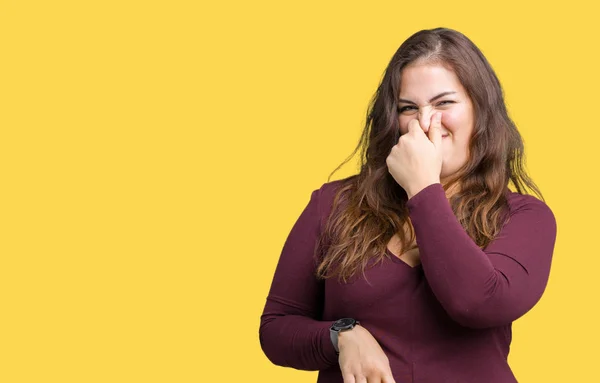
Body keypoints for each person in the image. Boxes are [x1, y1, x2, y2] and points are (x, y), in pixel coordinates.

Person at [258, 27, 557, 383]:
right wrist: (342, 335)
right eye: (408, 108)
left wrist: (422, 187)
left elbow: (478, 302)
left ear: (481, 110)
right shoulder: (335, 204)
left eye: (445, 103)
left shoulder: (524, 216)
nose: (425, 121)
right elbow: (276, 328)